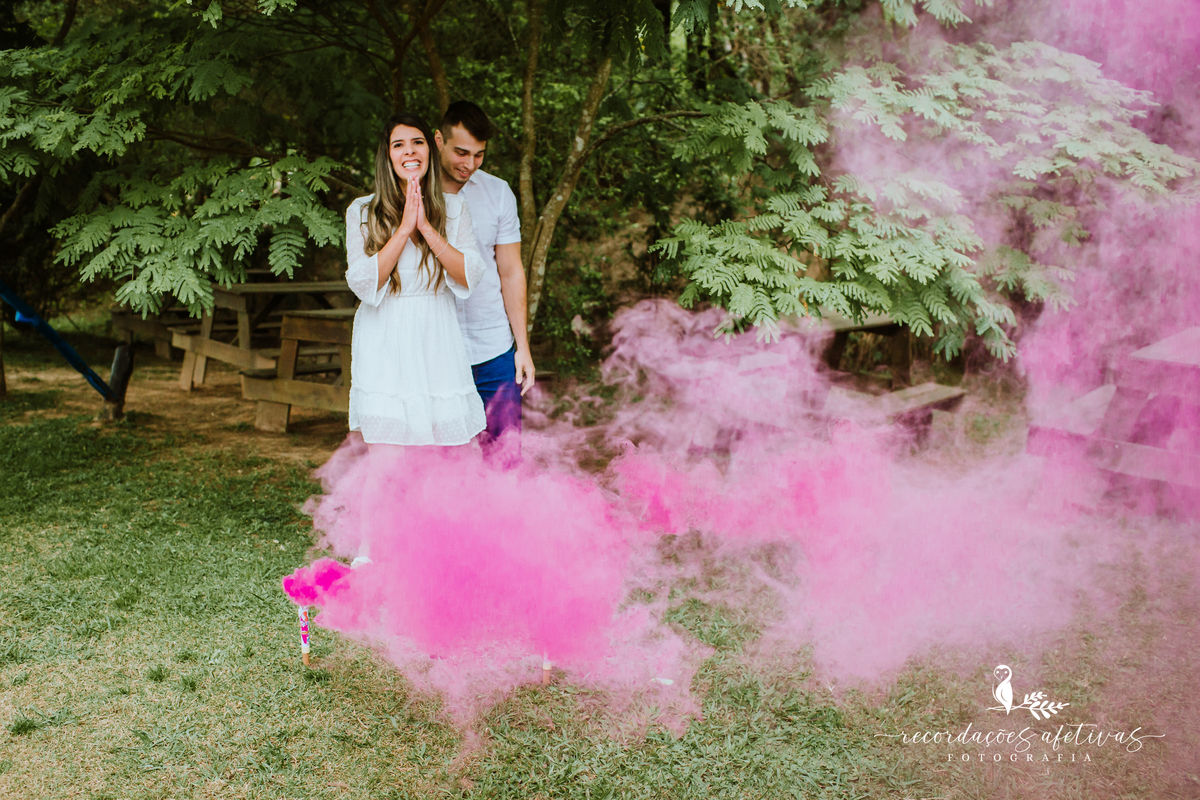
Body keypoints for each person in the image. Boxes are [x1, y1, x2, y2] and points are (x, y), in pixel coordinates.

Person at [344, 112, 486, 447]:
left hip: (437, 337)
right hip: (384, 339)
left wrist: (425, 228)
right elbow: (363, 284)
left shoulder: (453, 209)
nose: (410, 151)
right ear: (387, 155)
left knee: (448, 453)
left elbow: (469, 273)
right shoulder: (362, 212)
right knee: (390, 454)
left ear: (429, 150)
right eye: (399, 145)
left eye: (417, 143)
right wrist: (405, 228)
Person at [435, 101, 535, 444]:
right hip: (435, 347)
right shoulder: (411, 192)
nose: (470, 164)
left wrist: (522, 346)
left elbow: (510, 271)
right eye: (461, 152)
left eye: (479, 155)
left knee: (504, 455)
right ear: (438, 140)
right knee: (441, 465)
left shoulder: (498, 192)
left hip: (493, 346)